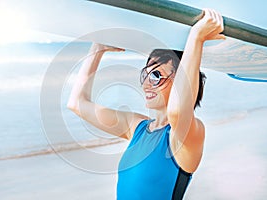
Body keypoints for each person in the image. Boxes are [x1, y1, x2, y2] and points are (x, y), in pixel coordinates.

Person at [67, 8, 225, 200]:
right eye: (146, 73)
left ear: (180, 81)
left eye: (156, 75)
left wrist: (196, 37)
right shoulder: (137, 128)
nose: (146, 83)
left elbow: (177, 111)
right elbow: (76, 103)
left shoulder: (189, 135)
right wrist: (97, 48)